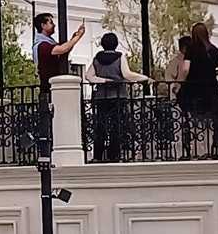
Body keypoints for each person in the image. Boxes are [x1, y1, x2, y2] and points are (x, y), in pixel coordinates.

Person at [86, 30, 148, 161]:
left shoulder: (97, 58)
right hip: (118, 96)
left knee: (101, 126)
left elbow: (89, 76)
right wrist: (144, 78)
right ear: (116, 44)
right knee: (117, 126)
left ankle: (98, 155)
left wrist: (103, 80)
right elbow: (127, 74)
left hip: (101, 97)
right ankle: (113, 155)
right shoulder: (120, 57)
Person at [176, 21, 218, 152]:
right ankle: (217, 140)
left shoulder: (191, 49)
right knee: (217, 112)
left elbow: (186, 69)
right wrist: (210, 72)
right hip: (211, 88)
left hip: (194, 88)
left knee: (185, 111)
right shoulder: (214, 50)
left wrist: (181, 82)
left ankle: (187, 142)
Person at [34, 11, 85, 83]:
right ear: (43, 26)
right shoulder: (42, 46)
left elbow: (65, 49)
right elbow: (63, 49)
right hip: (48, 87)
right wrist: (78, 36)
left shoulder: (49, 43)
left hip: (54, 84)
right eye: (51, 23)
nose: (54, 25)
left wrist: (73, 39)